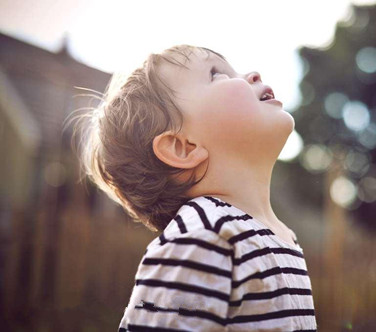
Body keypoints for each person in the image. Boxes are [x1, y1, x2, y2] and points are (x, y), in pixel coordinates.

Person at [75, 45, 317, 331]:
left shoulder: (283, 238)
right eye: (217, 75)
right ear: (183, 147)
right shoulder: (204, 238)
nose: (252, 74)